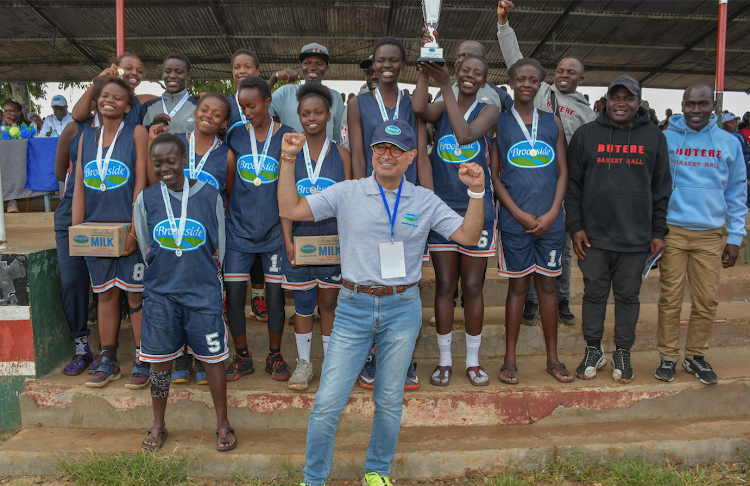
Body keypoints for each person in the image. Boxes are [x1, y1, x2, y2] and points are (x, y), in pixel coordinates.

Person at [277, 118, 485, 486]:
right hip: (353, 305)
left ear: (411, 157)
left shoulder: (424, 200)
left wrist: (477, 192)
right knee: (327, 402)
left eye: (397, 150)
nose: (387, 155)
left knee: (388, 401)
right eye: (380, 148)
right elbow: (292, 209)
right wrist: (288, 159)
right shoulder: (347, 192)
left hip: (402, 308)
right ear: (371, 153)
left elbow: (468, 235)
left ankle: (377, 473)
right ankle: (313, 480)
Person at [497, 0, 596, 328]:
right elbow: (516, 60)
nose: (565, 75)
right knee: (529, 240)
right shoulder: (540, 95)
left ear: (581, 78)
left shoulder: (587, 113)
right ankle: (531, 301)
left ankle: (562, 298)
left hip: (565, 181)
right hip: (531, 181)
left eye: (572, 72)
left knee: (562, 246)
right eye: (561, 71)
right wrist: (504, 24)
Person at [566, 74, 671, 384]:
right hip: (593, 236)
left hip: (635, 237)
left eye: (628, 98)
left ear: (638, 103)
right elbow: (573, 186)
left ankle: (622, 352)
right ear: (606, 100)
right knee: (594, 295)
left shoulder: (654, 137)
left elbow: (661, 188)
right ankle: (592, 350)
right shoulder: (586, 135)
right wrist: (575, 226)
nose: (621, 103)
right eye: (616, 97)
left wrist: (658, 232)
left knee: (628, 298)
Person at [133, 133, 234, 452]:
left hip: (202, 293)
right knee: (160, 363)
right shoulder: (146, 198)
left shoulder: (209, 195)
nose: (165, 168)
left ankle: (223, 423)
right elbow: (144, 241)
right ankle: (158, 424)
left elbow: (220, 244)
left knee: (213, 360)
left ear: (184, 159)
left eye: (171, 161)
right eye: (157, 163)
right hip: (162, 295)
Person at [413, 55, 499, 386]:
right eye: (465, 70)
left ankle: (474, 362)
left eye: (477, 73)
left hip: (477, 211)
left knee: (473, 287)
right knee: (446, 287)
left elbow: (463, 135)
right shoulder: (440, 102)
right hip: (443, 210)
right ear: (458, 70)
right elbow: (420, 109)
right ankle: (445, 362)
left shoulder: (489, 109)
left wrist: (446, 85)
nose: (469, 76)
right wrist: (425, 70)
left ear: (483, 80)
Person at [655, 83, 748, 384]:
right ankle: (668, 357)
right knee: (670, 299)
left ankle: (694, 356)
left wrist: (735, 237)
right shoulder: (666, 138)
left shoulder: (729, 142)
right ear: (681, 105)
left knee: (707, 300)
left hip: (710, 234)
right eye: (690, 104)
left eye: (703, 104)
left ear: (713, 107)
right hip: (673, 232)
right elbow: (654, 185)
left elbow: (736, 192)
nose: (696, 110)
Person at [490, 58, 571, 384]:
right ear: (512, 82)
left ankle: (553, 358)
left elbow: (563, 171)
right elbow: (495, 175)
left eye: (533, 80)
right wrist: (519, 213)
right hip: (514, 221)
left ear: (540, 85)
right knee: (518, 287)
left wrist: (553, 212)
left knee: (548, 287)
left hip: (551, 221)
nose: (526, 84)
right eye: (520, 78)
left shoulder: (552, 121)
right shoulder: (500, 121)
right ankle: (510, 360)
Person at [71, 77, 150, 389]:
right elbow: (78, 184)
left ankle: (144, 358)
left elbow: (142, 183)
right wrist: (76, 231)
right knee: (105, 294)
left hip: (128, 229)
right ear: (96, 101)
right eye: (104, 96)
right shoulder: (86, 137)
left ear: (128, 107)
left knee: (136, 295)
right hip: (96, 230)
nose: (109, 101)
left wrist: (134, 229)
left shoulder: (137, 132)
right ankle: (109, 359)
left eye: (118, 98)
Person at [153, 93, 236, 385]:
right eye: (204, 110)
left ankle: (203, 356)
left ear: (224, 122)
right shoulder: (174, 142)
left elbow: (227, 194)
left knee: (206, 303)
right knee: (173, 303)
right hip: (170, 241)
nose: (208, 116)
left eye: (217, 114)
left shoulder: (226, 154)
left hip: (203, 244)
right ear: (194, 112)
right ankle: (181, 357)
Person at [281, 83, 352, 391]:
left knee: (330, 304)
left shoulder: (341, 154)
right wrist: (287, 242)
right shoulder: (290, 155)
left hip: (331, 243)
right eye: (306, 113)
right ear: (298, 116)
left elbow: (350, 203)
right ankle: (304, 363)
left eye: (318, 112)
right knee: (303, 304)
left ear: (329, 115)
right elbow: (283, 203)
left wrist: (348, 244)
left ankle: (332, 365)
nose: (312, 118)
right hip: (300, 240)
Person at [223, 77, 293, 382]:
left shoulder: (288, 136)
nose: (247, 111)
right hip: (238, 232)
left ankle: (275, 356)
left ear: (267, 102)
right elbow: (228, 181)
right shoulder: (235, 135)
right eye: (242, 106)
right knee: (234, 298)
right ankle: (242, 357)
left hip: (275, 233)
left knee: (275, 299)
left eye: (252, 105)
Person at [224, 49, 272, 322]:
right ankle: (227, 298)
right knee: (233, 246)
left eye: (247, 66)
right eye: (236, 67)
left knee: (259, 247)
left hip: (263, 186)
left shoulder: (266, 107)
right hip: (237, 186)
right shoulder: (227, 104)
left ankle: (258, 296)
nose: (241, 71)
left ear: (256, 69)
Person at [54, 103, 100, 376]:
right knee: (72, 280)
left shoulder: (132, 130)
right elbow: (61, 173)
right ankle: (81, 345)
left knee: (110, 287)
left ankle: (110, 352)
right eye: (100, 94)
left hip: (108, 212)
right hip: (71, 211)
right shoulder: (76, 128)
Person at [348, 37, 421, 184]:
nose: (387, 65)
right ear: (374, 65)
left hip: (407, 189)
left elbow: (421, 157)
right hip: (373, 189)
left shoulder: (414, 104)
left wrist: (429, 197)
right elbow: (358, 157)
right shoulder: (356, 104)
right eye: (381, 60)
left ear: (403, 65)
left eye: (393, 60)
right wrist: (362, 194)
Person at [267, 43, 344, 144]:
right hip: (289, 157)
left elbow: (338, 137)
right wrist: (274, 77)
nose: (312, 67)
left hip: (324, 158)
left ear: (327, 68)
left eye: (319, 64)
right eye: (307, 63)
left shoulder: (336, 97)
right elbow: (259, 107)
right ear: (301, 67)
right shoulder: (285, 92)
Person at [426, 29, 513, 114]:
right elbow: (430, 115)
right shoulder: (446, 90)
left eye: (466, 56)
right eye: (458, 57)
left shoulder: (500, 96)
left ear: (483, 60)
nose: (459, 61)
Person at [71, 53, 155, 127]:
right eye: (129, 68)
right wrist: (98, 80)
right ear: (116, 69)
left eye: (139, 71)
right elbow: (77, 115)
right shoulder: (103, 98)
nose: (134, 73)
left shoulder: (143, 100)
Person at [141, 53, 198, 134]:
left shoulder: (198, 107)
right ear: (162, 74)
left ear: (188, 75)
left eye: (178, 72)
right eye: (167, 71)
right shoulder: (147, 108)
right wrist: (151, 127)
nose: (172, 75)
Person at [340, 55, 378, 152]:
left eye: (377, 71)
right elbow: (345, 140)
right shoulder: (354, 104)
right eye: (369, 72)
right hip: (361, 164)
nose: (373, 75)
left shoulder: (400, 102)